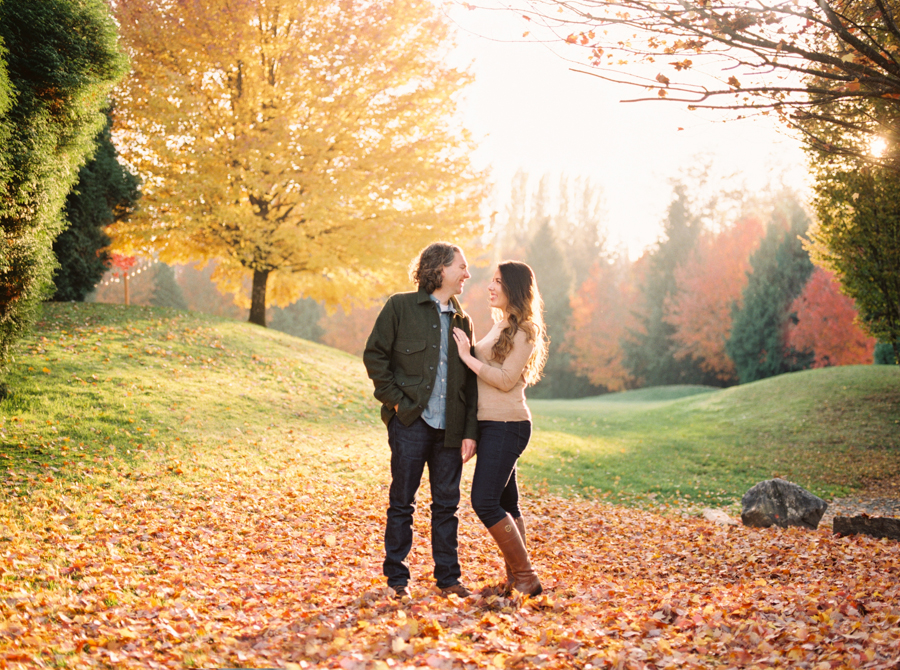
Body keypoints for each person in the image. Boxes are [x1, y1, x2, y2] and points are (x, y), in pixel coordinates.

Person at [363, 242, 479, 599]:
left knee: (447, 506)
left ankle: (448, 579)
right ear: (440, 269)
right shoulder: (399, 307)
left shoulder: (464, 320)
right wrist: (397, 405)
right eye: (461, 266)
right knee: (402, 502)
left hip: (451, 430)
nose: (467, 274)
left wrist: (470, 432)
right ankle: (397, 580)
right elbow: (375, 357)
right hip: (411, 424)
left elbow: (471, 382)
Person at [452, 260, 548, 597]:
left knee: (484, 501)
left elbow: (507, 380)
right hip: (492, 423)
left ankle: (525, 577)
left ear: (515, 289)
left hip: (508, 425)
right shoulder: (500, 325)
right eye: (491, 281)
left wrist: (467, 356)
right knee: (508, 503)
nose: (490, 287)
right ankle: (516, 579)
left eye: (497, 282)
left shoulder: (525, 330)